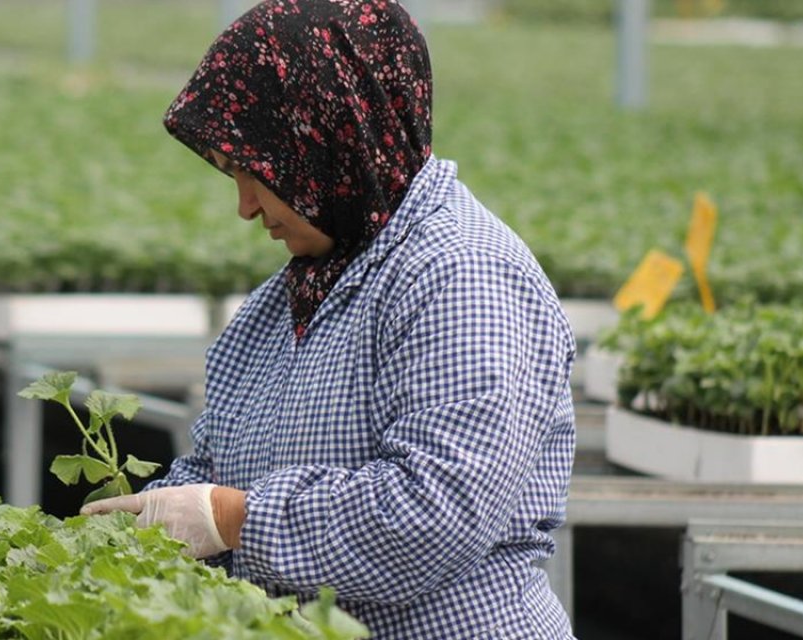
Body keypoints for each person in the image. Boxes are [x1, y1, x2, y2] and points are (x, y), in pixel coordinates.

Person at [82, 1, 577, 637]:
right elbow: (210, 471)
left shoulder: (462, 275)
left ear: (330, 136)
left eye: (257, 173)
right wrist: (142, 527)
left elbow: (435, 513)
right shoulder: (290, 296)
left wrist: (235, 519)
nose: (245, 206)